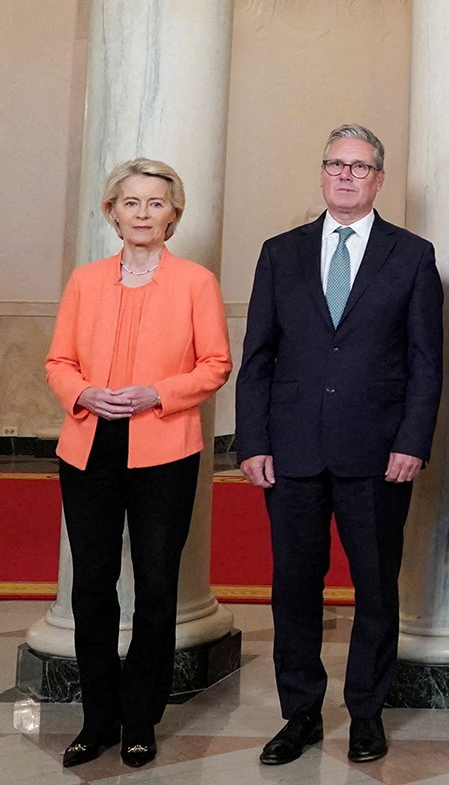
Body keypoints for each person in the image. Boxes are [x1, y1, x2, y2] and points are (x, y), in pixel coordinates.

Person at [235, 125, 442, 765]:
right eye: (336, 164)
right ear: (322, 173)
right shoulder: (280, 253)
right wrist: (252, 440)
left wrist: (412, 440)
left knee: (376, 588)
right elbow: (258, 355)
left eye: (360, 167)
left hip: (378, 453)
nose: (346, 176)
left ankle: (365, 713)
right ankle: (299, 714)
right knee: (294, 588)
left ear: (379, 179)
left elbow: (425, 361)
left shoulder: (412, 255)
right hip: (291, 450)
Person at [45, 158, 232, 769]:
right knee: (92, 586)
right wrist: (82, 392)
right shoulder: (84, 281)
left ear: (173, 214)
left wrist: (158, 393)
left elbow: (215, 364)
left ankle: (140, 720)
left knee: (155, 588)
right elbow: (58, 362)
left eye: (156, 203)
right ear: (112, 212)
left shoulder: (196, 282)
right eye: (131, 202)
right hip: (88, 447)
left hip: (164, 450)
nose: (143, 213)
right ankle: (97, 718)